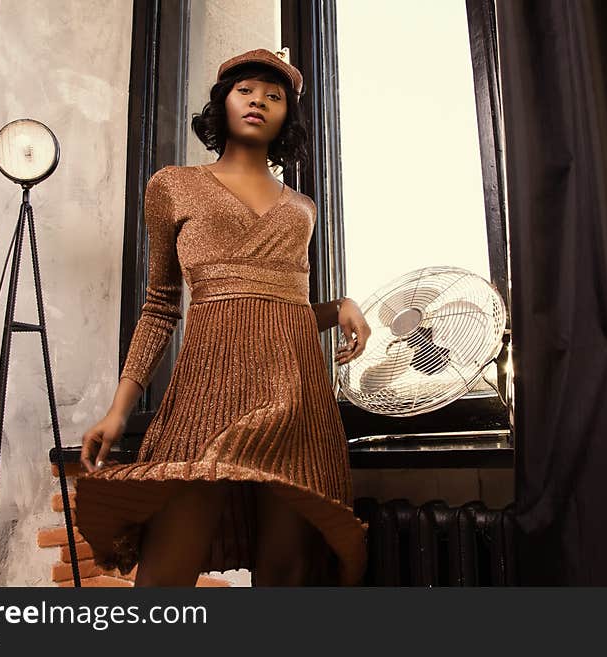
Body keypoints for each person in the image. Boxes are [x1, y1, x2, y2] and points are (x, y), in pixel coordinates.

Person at [74, 48, 372, 587]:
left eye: (274, 95)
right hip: (208, 390)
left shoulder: (302, 207)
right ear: (223, 103)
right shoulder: (173, 185)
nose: (259, 100)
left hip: (296, 395)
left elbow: (283, 309)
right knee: (165, 573)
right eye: (246, 90)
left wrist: (340, 307)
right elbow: (162, 304)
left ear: (288, 117)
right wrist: (120, 409)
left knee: (286, 573)